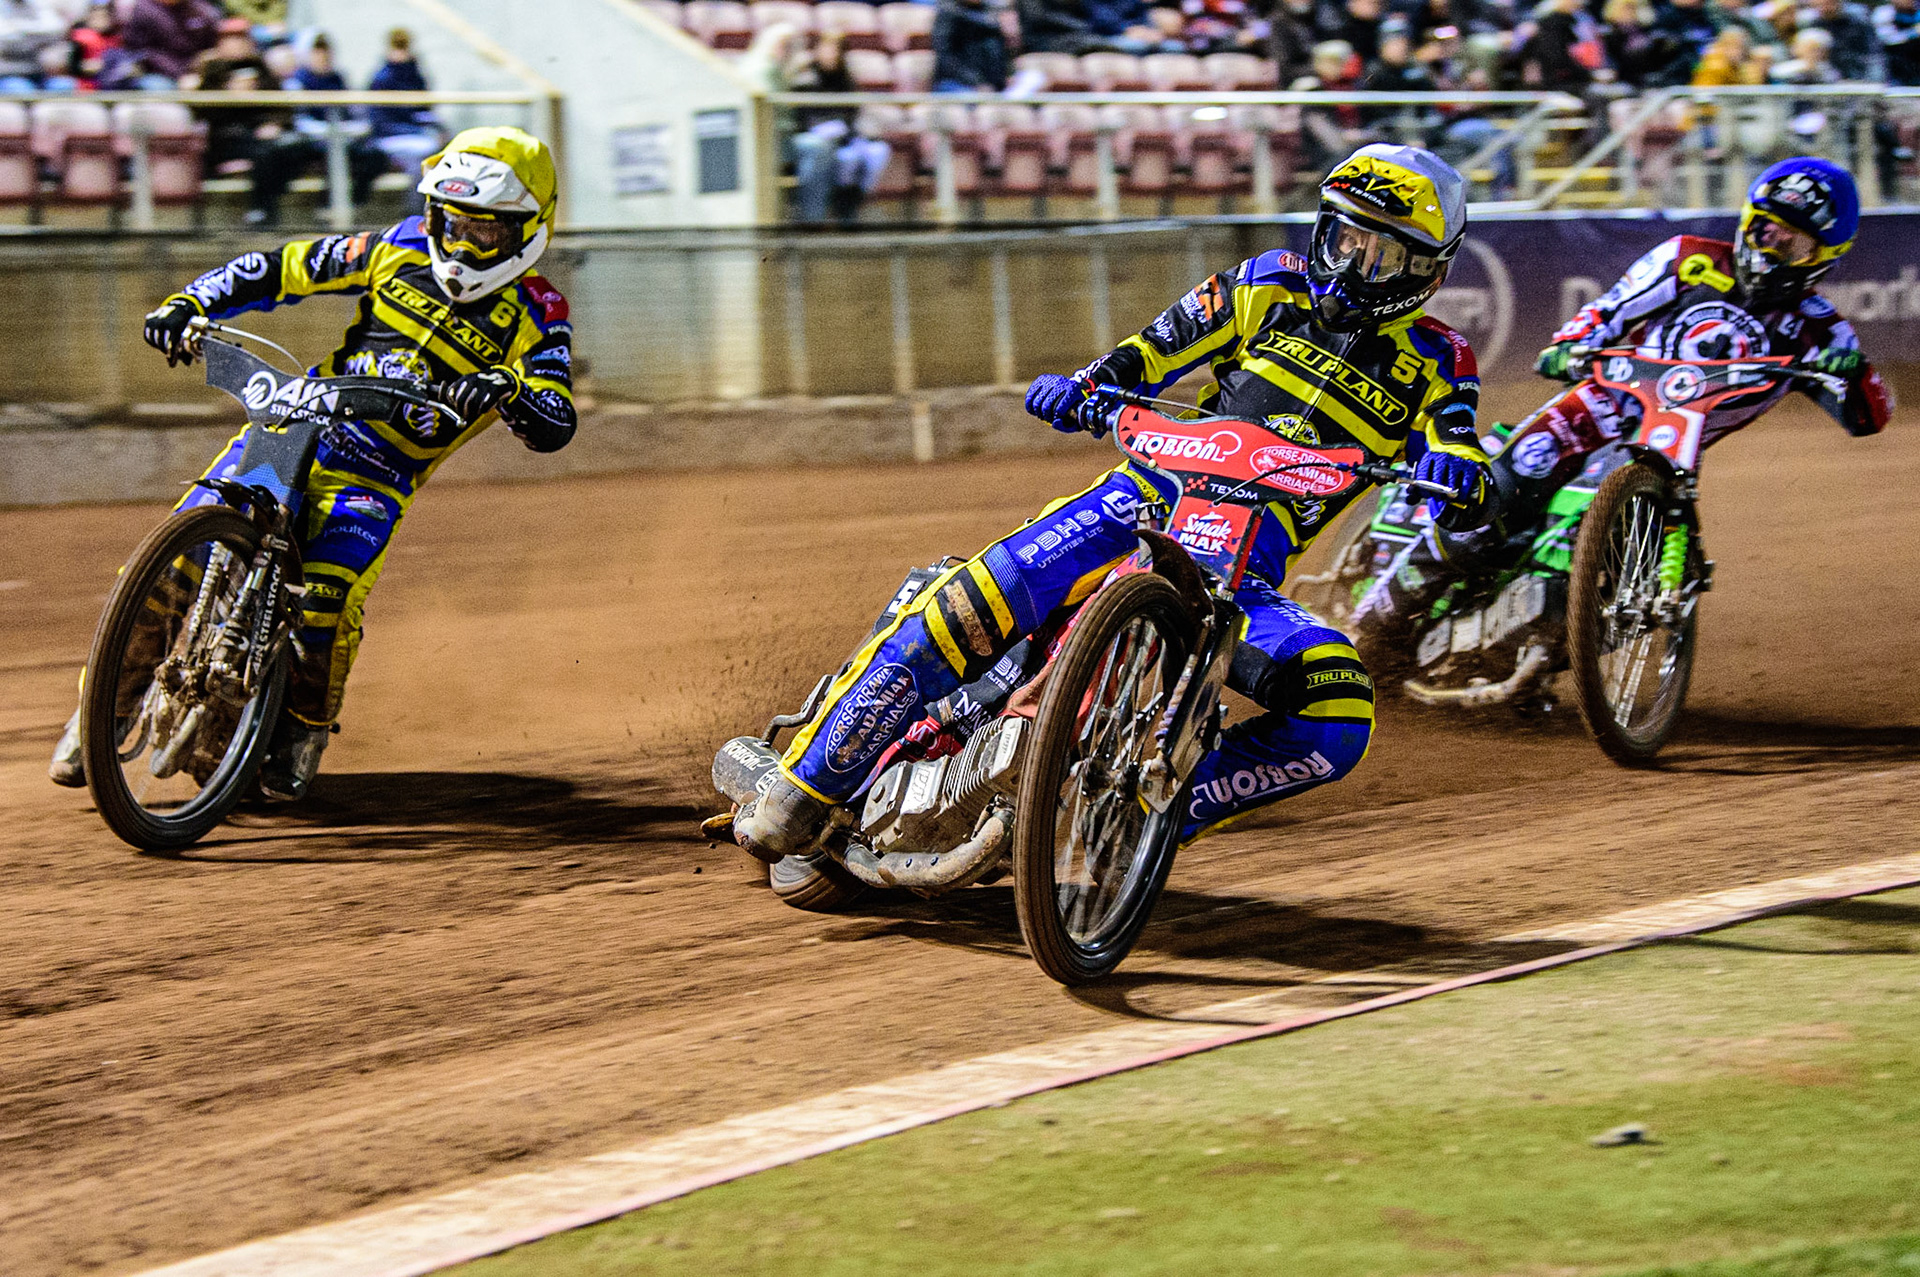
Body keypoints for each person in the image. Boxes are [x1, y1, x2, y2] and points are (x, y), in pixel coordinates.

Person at [730, 145, 1493, 861]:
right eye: (1343, 237)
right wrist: (1085, 386)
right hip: (1141, 499)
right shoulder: (1268, 281)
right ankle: (803, 785)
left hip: (1241, 574)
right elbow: (1150, 351)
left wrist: (1461, 472)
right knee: (966, 602)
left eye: (1380, 251)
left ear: (1423, 270)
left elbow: (1457, 439)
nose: (1351, 262)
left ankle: (1146, 816)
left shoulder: (1439, 358)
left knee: (1338, 711)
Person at [48, 128, 576, 800]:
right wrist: (193, 301)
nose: (462, 244)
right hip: (297, 421)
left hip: (376, 474)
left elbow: (556, 415)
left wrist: (509, 391)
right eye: (452, 224)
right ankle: (103, 709)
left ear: (527, 230)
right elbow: (283, 266)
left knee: (326, 599)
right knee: (173, 558)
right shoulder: (397, 245)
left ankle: (304, 724)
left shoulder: (540, 311)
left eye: (484, 234)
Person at [1351, 158, 1890, 660]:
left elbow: (1872, 414)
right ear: (1748, 221)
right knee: (1502, 486)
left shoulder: (1820, 329)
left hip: (1668, 447)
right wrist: (1570, 343)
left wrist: (1852, 373)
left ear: (1824, 259)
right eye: (1766, 231)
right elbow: (1609, 309)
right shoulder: (1691, 259)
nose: (1773, 249)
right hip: (1600, 404)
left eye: (1793, 245)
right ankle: (1379, 620)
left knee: (1616, 554)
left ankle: (1537, 640)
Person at [121, 0, 220, 85]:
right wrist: (180, 75)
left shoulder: (200, 9)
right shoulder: (144, 10)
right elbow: (145, 52)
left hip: (197, 70)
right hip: (156, 73)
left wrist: (208, 59)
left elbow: (211, 42)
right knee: (156, 86)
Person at [932, 0, 1011, 90]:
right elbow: (945, 57)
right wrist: (976, 82)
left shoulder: (991, 12)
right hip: (956, 83)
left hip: (993, 85)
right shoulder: (948, 12)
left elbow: (998, 53)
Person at [1874, 0, 1920, 84]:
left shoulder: (1917, 12)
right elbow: (1888, 39)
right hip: (1895, 61)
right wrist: (1913, 33)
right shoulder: (1884, 13)